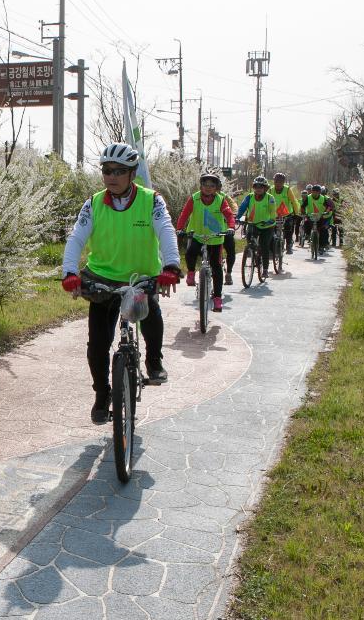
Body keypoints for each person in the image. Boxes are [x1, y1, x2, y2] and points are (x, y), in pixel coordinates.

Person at [61, 143, 181, 423]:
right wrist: (69, 273)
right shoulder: (93, 203)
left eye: (119, 171)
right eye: (106, 170)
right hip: (101, 279)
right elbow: (76, 238)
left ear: (133, 173)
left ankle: (153, 361)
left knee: (150, 313)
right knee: (98, 345)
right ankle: (102, 394)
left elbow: (165, 230)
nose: (111, 176)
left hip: (140, 279)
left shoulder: (152, 200)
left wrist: (171, 265)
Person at [176, 173, 237, 312]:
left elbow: (229, 215)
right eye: (205, 185)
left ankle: (217, 299)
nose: (208, 188)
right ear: (201, 186)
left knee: (216, 267)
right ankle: (191, 273)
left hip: (215, 237)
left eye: (212, 186)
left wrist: (230, 227)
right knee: (190, 254)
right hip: (197, 235)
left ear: (216, 188)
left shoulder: (221, 200)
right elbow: (184, 214)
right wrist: (179, 228)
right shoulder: (194, 198)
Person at [236, 176, 288, 276]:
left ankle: (264, 269)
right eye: (256, 187)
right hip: (253, 224)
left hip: (267, 226)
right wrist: (238, 217)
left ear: (265, 188)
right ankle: (253, 254)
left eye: (261, 187)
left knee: (264, 246)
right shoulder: (249, 197)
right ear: (254, 187)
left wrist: (270, 220)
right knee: (250, 242)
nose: (258, 189)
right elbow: (242, 208)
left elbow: (273, 213)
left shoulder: (270, 198)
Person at [267, 172, 300, 254]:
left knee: (288, 228)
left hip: (286, 214)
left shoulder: (287, 190)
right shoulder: (270, 190)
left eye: (280, 182)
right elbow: (266, 202)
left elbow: (294, 202)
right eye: (276, 181)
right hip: (274, 215)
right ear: (274, 182)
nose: (278, 184)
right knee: (271, 230)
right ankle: (272, 248)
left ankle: (289, 245)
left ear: (283, 182)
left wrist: (296, 214)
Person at [301, 183, 333, 249]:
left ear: (319, 192)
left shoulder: (323, 198)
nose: (315, 193)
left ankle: (322, 246)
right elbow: (303, 206)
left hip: (320, 217)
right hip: (310, 216)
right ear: (311, 191)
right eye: (313, 191)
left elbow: (328, 206)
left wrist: (326, 212)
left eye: (317, 192)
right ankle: (309, 235)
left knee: (323, 230)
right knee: (306, 224)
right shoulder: (308, 197)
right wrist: (304, 213)